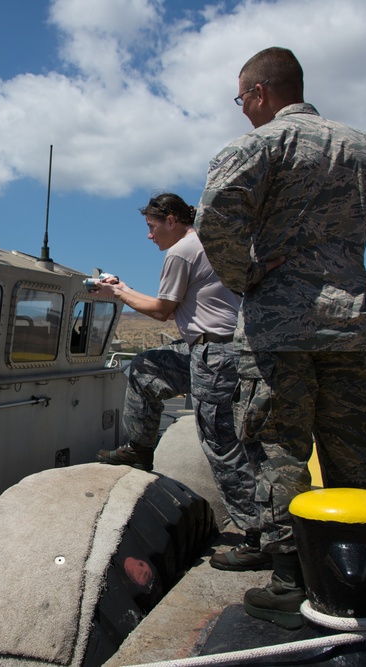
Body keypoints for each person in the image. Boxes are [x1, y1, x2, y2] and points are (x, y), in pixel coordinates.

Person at [195, 47, 366, 629]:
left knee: (279, 447)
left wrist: (244, 276)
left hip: (279, 332)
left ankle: (290, 577)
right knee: (354, 448)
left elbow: (215, 215)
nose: (242, 111)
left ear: (259, 93)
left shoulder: (258, 147)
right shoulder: (364, 148)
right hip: (351, 328)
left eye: (241, 100)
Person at [94, 193, 270, 572]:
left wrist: (117, 292)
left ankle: (258, 536)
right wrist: (122, 288)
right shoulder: (206, 244)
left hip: (216, 355)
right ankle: (140, 447)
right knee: (145, 367)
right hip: (221, 350)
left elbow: (161, 311)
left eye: (152, 227)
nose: (149, 236)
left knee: (221, 443)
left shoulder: (181, 251)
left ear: (171, 220)